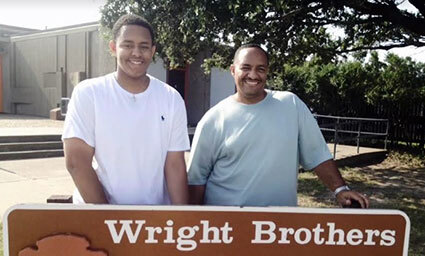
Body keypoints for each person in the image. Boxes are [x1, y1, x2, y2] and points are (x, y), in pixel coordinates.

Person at [187, 43, 369, 208]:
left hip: (279, 227)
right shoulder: (213, 119)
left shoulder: (291, 105)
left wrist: (340, 189)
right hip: (227, 226)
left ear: (267, 72)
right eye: (246, 68)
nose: (253, 75)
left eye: (261, 69)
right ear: (233, 70)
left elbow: (318, 155)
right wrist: (196, 224)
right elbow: (196, 179)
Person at [62, 14, 190, 205]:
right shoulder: (89, 93)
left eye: (144, 46)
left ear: (153, 51)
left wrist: (181, 222)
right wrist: (109, 219)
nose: (136, 53)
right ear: (113, 47)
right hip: (98, 216)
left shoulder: (171, 98)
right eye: (128, 45)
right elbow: (76, 162)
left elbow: (174, 166)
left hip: (154, 220)